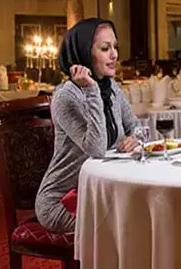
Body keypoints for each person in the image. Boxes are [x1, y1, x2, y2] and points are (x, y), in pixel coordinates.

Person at [35, 18, 140, 235]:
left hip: (102, 191)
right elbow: (97, 149)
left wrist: (134, 139)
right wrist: (92, 91)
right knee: (126, 226)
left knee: (144, 212)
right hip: (65, 200)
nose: (114, 55)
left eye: (115, 47)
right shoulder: (66, 97)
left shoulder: (111, 87)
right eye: (105, 48)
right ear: (83, 53)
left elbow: (136, 127)